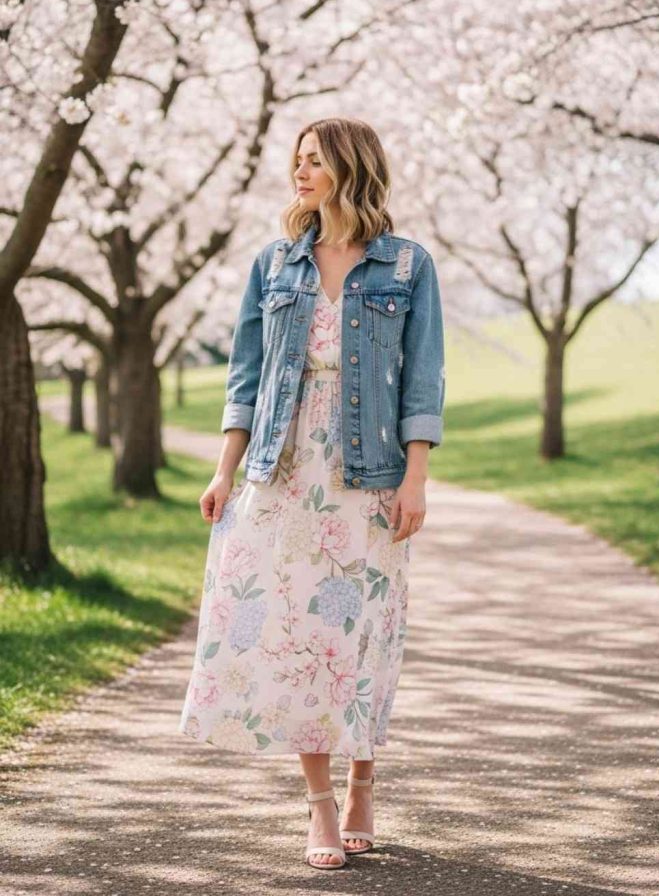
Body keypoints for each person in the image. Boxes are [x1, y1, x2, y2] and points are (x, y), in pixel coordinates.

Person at [178, 116, 445, 870]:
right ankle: (320, 803)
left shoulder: (405, 267)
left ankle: (364, 779)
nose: (299, 174)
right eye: (295, 161)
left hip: (369, 473)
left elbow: (423, 380)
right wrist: (224, 470)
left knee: (360, 631)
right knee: (299, 637)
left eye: (314, 162)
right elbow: (246, 377)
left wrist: (415, 479)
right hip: (285, 465)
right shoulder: (274, 264)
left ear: (350, 169)